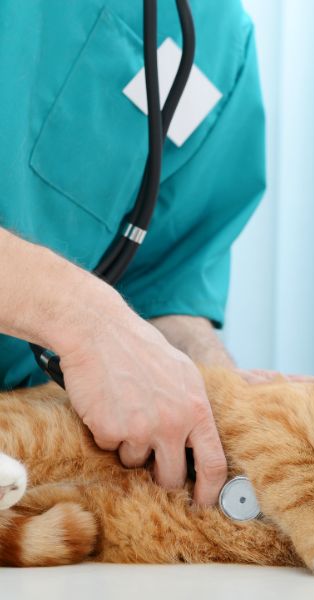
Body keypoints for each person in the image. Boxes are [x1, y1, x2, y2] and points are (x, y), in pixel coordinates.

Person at [0, 0, 265, 506]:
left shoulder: (217, 40)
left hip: (27, 451)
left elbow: (163, 285)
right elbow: (105, 327)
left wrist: (217, 387)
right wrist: (83, 317)